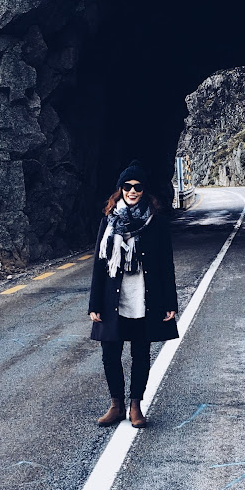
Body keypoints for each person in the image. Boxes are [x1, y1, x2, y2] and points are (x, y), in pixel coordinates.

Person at [88, 160, 179, 428]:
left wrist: (170, 302)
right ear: (120, 189)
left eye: (137, 187)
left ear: (144, 190)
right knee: (110, 353)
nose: (132, 191)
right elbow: (99, 265)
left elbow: (166, 265)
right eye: (127, 186)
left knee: (140, 353)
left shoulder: (156, 223)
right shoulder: (109, 221)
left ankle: (135, 405)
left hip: (144, 297)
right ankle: (116, 405)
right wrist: (94, 304)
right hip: (112, 298)